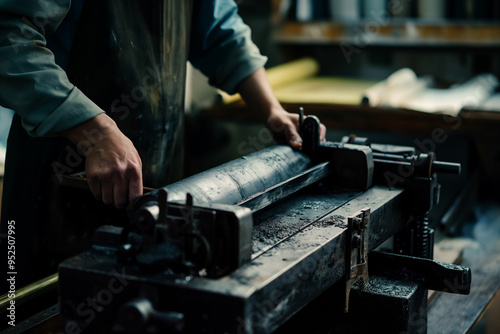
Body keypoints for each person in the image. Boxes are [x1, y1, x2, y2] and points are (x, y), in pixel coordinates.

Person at [0, 0, 326, 290]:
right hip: (56, 184)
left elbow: (220, 31)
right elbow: (9, 40)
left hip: (156, 189)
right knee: (45, 307)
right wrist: (94, 133)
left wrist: (271, 110)